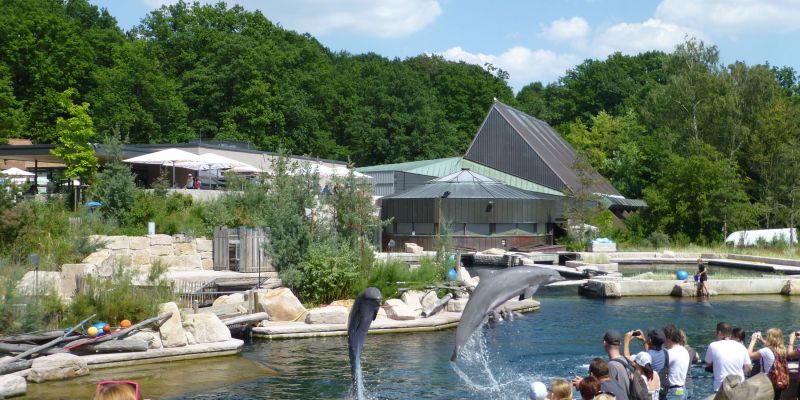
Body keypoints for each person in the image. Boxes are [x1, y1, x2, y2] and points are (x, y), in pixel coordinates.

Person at [705, 322, 752, 392]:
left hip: (721, 389)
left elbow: (708, 363)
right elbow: (748, 368)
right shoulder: (741, 347)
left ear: (719, 333)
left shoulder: (713, 345)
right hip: (739, 387)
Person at [748, 328, 787, 400]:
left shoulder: (765, 351)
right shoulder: (782, 349)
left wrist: (753, 341)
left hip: (767, 383)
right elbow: (771, 347)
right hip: (778, 381)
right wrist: (761, 339)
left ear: (770, 338)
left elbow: (749, 355)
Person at [662, 324, 690, 400]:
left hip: (672, 391)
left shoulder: (670, 353)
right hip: (682, 389)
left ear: (668, 338)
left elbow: (656, 366)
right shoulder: (684, 350)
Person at [603, 330, 631, 398]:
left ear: (605, 343)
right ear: (620, 344)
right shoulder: (626, 360)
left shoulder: (611, 365)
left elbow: (610, 392)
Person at [678, 330, 700, 400]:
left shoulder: (674, 351)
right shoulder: (690, 350)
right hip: (689, 386)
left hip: (679, 388)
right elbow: (697, 357)